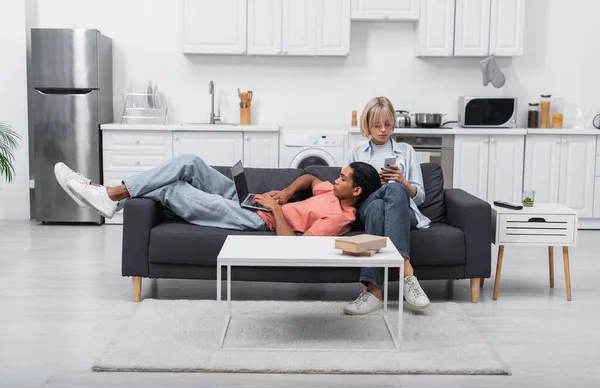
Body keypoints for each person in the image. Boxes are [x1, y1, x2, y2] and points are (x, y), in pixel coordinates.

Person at [53, 154, 381, 237]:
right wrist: (284, 192)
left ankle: (106, 195)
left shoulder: (339, 218)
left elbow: (295, 246)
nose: (334, 179)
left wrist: (273, 209)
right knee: (189, 162)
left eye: (342, 178)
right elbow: (310, 177)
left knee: (172, 189)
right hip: (259, 202)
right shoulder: (332, 192)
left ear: (356, 191)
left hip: (258, 219)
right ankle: (109, 195)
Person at [344, 96, 431, 315]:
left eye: (388, 124)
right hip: (367, 206)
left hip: (404, 212)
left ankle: (374, 291)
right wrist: (377, 188)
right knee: (376, 203)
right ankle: (407, 274)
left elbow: (419, 197)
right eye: (377, 125)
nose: (383, 130)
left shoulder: (407, 150)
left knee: (389, 196)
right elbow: (350, 195)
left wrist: (401, 182)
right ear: (367, 125)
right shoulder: (355, 153)